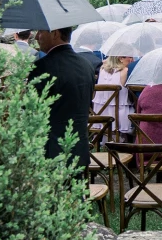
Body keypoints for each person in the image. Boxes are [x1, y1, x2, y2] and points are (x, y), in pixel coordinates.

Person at [28, 27, 95, 170]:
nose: (36, 37)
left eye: (40, 32)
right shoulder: (86, 65)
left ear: (55, 33)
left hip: (50, 152)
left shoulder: (41, 68)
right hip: (80, 150)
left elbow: (30, 112)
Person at [95, 55, 135, 135]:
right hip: (119, 115)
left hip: (99, 114)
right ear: (120, 58)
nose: (132, 60)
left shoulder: (102, 69)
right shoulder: (125, 71)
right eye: (130, 57)